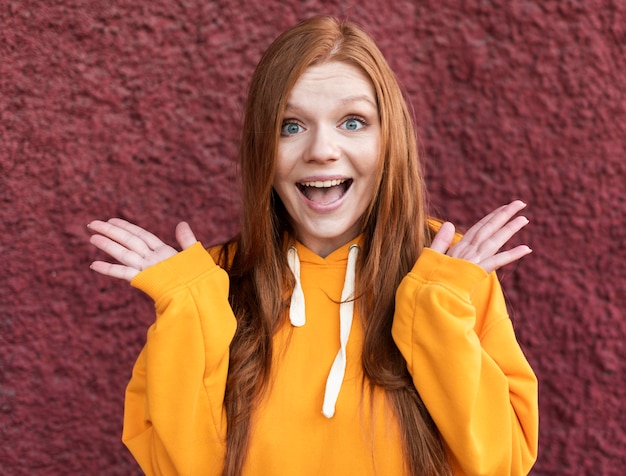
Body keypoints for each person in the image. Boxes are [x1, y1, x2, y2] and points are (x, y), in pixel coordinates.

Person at [88, 16, 538, 476]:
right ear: (261, 147)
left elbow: (500, 464)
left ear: (389, 139)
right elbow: (182, 469)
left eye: (352, 121)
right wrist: (189, 311)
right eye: (290, 126)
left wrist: (436, 307)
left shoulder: (449, 270)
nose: (322, 149)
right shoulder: (207, 284)